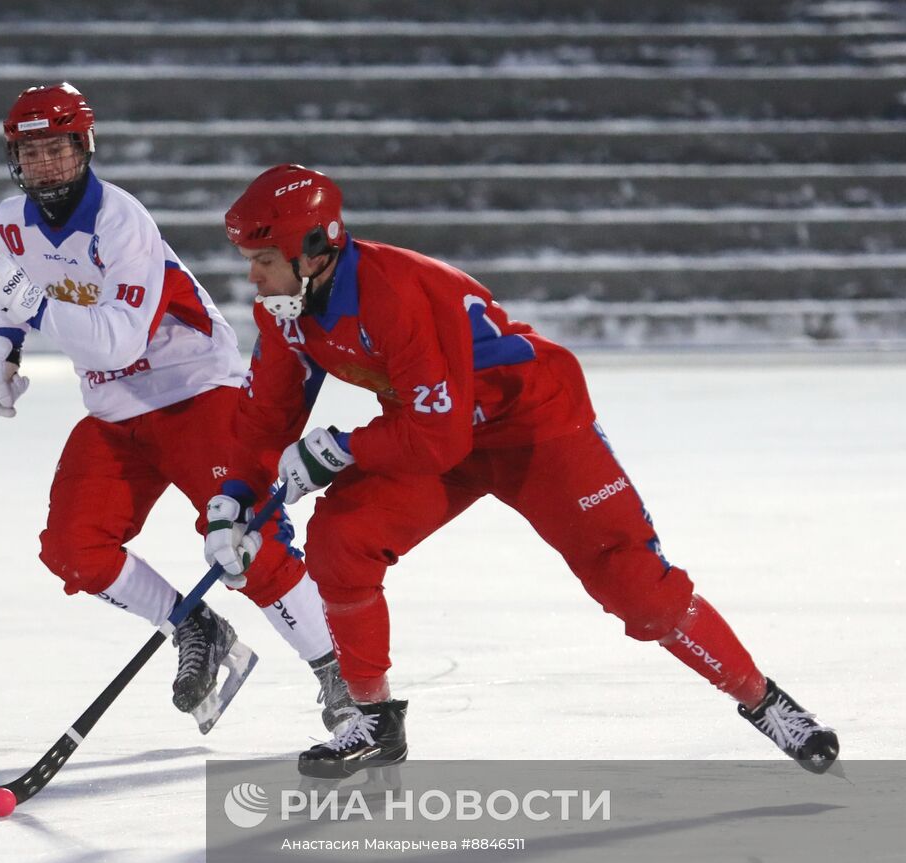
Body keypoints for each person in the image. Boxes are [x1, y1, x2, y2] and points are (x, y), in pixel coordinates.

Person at [203, 163, 840, 777]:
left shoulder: (393, 293)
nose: (252, 278)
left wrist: (343, 448)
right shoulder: (287, 310)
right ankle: (373, 720)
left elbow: (435, 439)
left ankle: (764, 701)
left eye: (263, 261)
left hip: (532, 424)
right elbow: (267, 417)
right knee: (344, 540)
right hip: (435, 427)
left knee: (638, 590)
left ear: (313, 252)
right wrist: (235, 497)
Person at [0, 85, 354, 732]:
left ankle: (341, 677)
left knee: (246, 544)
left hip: (196, 390)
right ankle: (193, 624)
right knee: (73, 549)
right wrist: (3, 347)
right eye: (31, 154)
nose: (47, 167)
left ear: (84, 147)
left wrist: (29, 308)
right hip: (115, 408)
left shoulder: (120, 222)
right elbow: (20, 282)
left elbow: (116, 335)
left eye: (58, 150)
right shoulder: (13, 220)